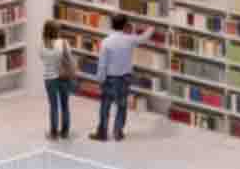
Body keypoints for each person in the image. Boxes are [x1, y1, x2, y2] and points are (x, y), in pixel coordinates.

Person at [88, 14, 156, 142]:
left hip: (109, 78)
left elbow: (102, 65)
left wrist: (100, 80)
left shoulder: (106, 42)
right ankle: (118, 132)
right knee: (122, 106)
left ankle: (102, 133)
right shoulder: (129, 39)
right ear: (125, 26)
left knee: (105, 107)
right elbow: (144, 38)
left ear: (112, 25)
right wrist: (153, 26)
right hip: (124, 78)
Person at [39, 19, 74, 140]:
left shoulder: (41, 45)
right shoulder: (63, 43)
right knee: (65, 105)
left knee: (53, 106)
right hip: (64, 77)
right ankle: (65, 132)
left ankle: (53, 132)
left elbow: (42, 59)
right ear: (57, 31)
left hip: (49, 78)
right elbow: (69, 58)